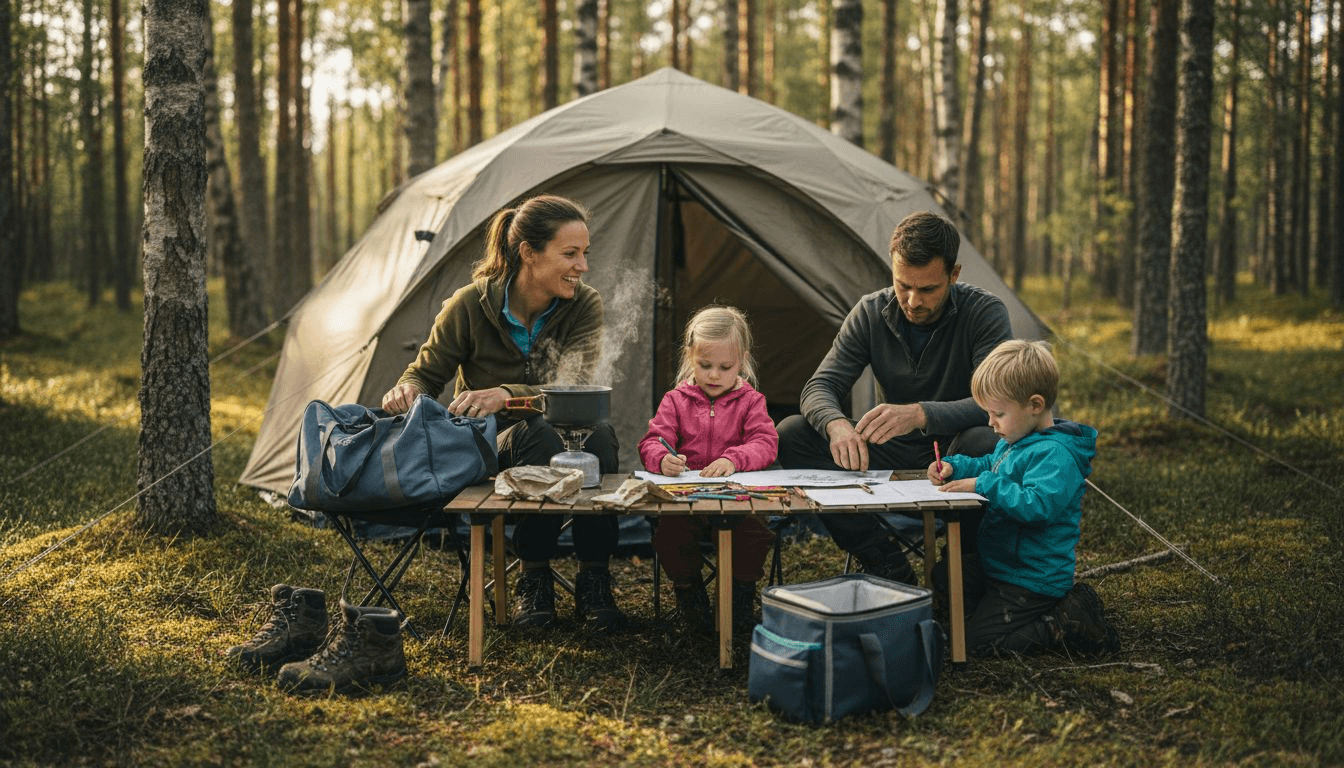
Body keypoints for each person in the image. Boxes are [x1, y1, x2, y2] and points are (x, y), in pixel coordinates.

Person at [381, 194, 625, 630]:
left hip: (565, 431)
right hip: (489, 446)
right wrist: (407, 390)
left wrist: (506, 394)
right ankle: (534, 577)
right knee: (540, 434)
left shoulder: (584, 304)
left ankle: (595, 577)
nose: (583, 266)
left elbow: (577, 388)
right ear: (529, 252)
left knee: (600, 435)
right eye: (570, 254)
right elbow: (424, 374)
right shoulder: (470, 305)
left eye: (585, 253)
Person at [776, 211, 1011, 583]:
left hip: (958, 451)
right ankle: (882, 558)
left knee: (989, 442)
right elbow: (819, 387)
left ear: (954, 274)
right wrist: (837, 426)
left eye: (928, 289)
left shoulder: (985, 312)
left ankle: (963, 568)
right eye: (903, 285)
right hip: (891, 449)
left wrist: (920, 414)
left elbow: (998, 402)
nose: (913, 301)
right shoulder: (871, 312)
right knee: (792, 434)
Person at [930, 339, 1118, 656]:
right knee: (944, 575)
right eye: (988, 413)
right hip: (1000, 564)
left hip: (1031, 579)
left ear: (1035, 405)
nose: (990, 423)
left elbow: (1037, 506)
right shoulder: (1016, 439)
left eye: (998, 414)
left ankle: (1065, 620)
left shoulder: (1055, 455)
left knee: (977, 645)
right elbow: (991, 466)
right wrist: (955, 467)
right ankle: (985, 616)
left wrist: (984, 484)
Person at [638, 306, 779, 636]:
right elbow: (652, 441)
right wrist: (662, 458)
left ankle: (739, 599)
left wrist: (734, 459)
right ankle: (690, 596)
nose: (714, 375)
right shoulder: (675, 400)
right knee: (670, 535)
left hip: (738, 500)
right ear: (690, 357)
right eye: (705, 365)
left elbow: (766, 442)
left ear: (742, 362)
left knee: (753, 532)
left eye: (725, 367)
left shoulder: (751, 401)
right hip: (686, 501)